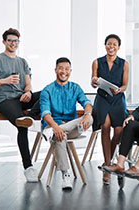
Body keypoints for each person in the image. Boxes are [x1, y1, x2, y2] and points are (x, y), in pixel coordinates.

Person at [0, 28, 41, 182]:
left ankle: (31, 117)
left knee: (48, 92)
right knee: (22, 125)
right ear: (4, 42)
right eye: (10, 40)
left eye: (16, 41)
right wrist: (5, 80)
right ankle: (28, 167)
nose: (13, 43)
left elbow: (28, 84)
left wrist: (28, 92)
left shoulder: (22, 62)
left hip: (21, 98)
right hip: (4, 100)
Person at [40, 57, 93, 190]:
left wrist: (87, 115)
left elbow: (87, 103)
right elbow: (46, 113)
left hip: (71, 128)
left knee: (90, 118)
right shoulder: (47, 90)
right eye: (61, 68)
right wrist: (55, 127)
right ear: (55, 70)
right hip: (54, 125)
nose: (64, 71)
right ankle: (66, 174)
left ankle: (53, 132)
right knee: (60, 136)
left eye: (67, 69)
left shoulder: (75, 88)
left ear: (70, 71)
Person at [91, 34, 129, 184]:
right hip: (102, 98)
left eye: (114, 44)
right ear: (105, 45)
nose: (111, 46)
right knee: (105, 126)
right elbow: (93, 82)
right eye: (109, 44)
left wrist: (119, 90)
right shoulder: (97, 62)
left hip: (117, 98)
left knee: (119, 130)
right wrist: (94, 81)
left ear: (118, 47)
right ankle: (107, 166)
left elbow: (125, 85)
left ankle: (110, 160)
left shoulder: (124, 64)